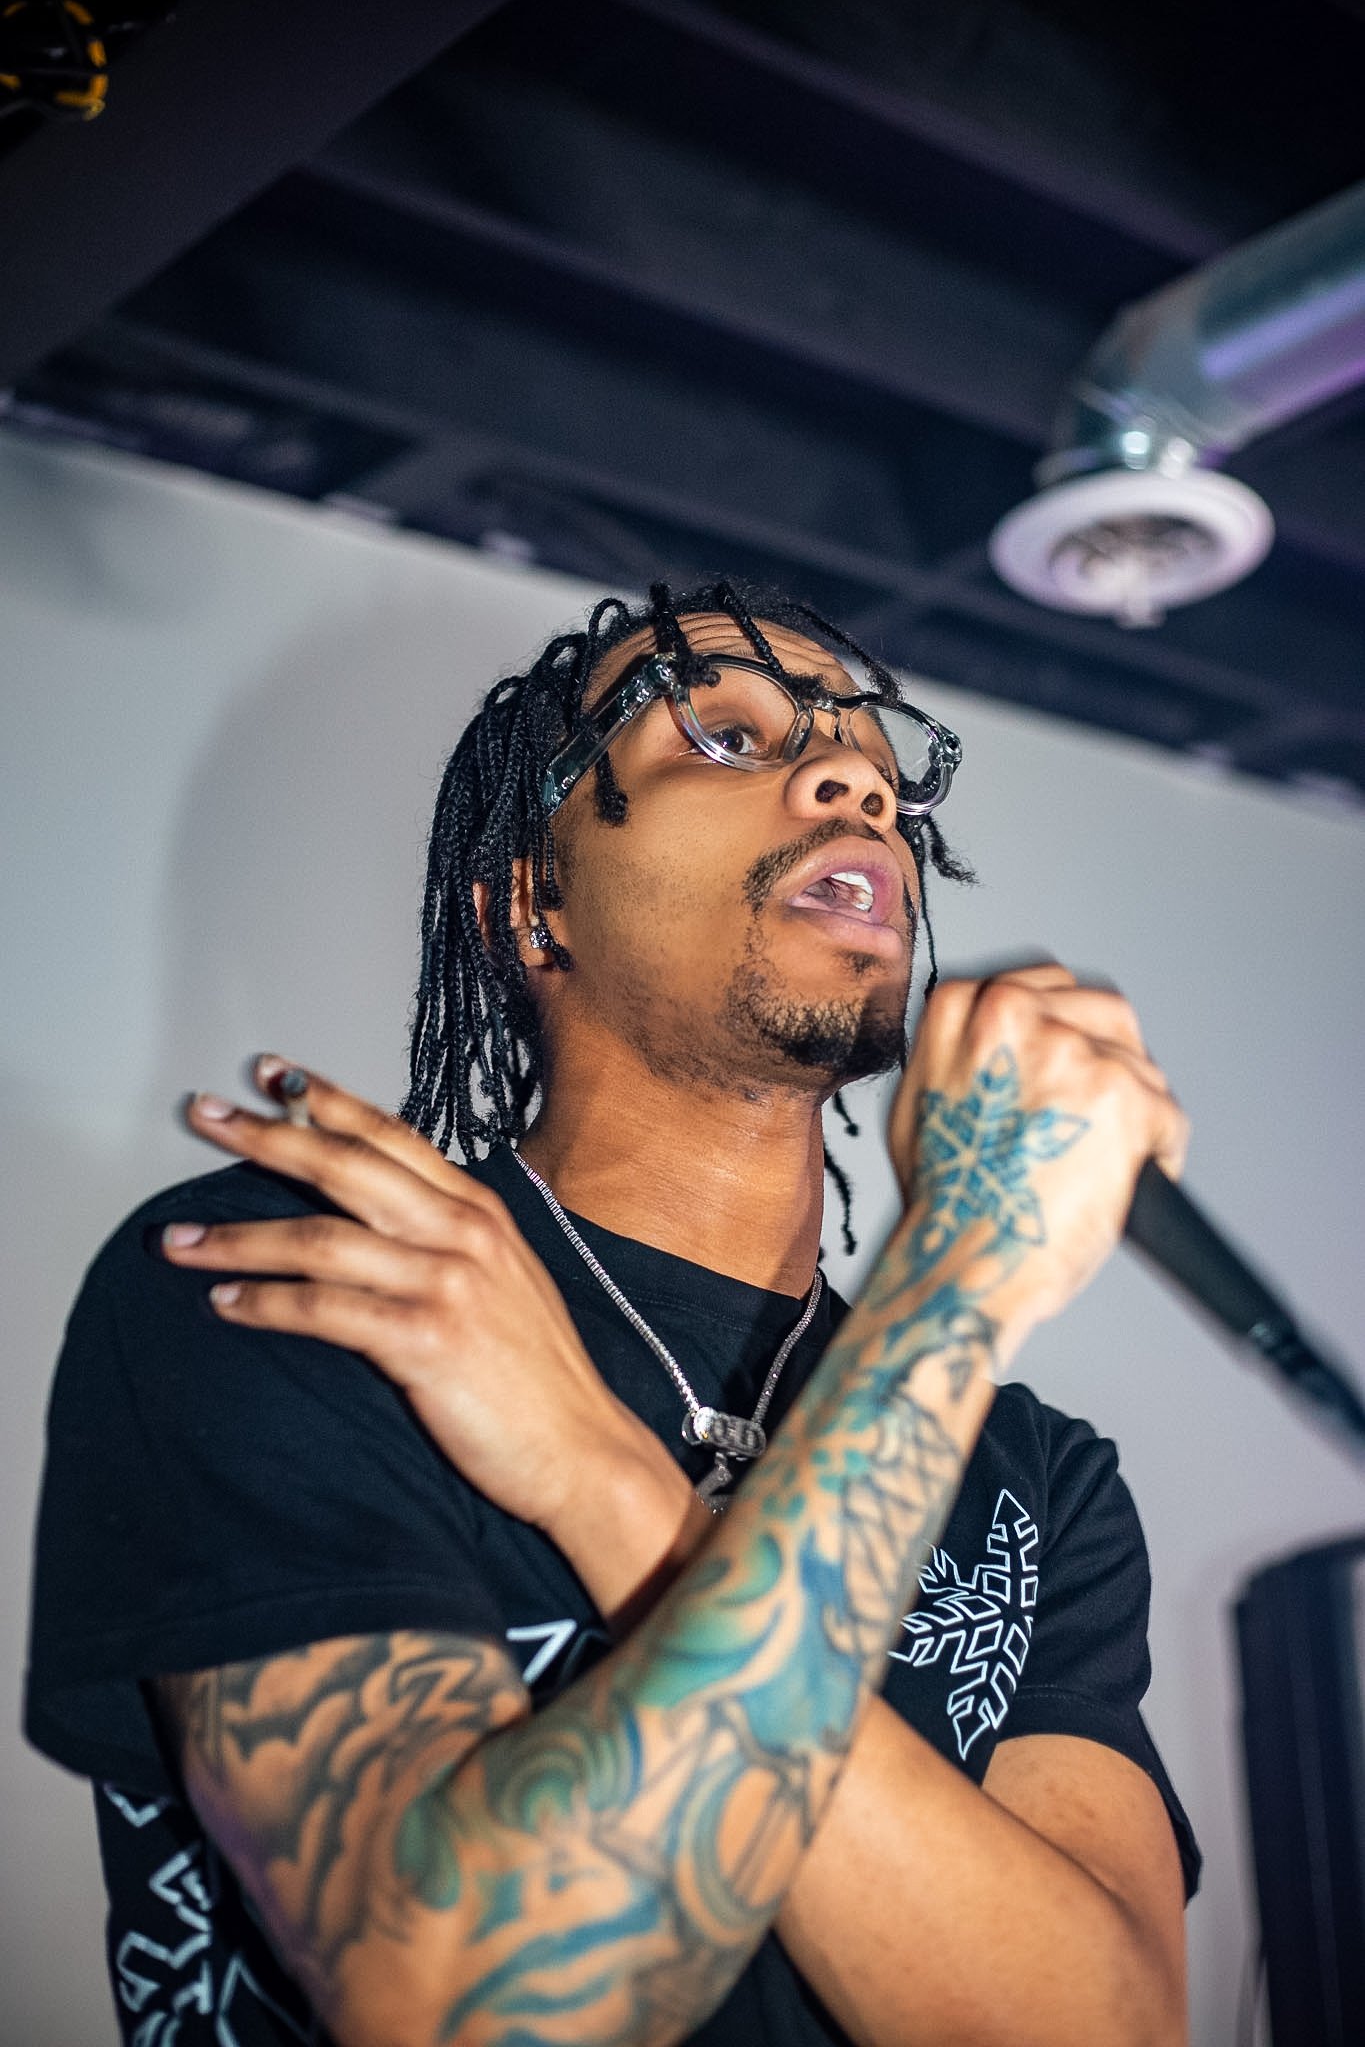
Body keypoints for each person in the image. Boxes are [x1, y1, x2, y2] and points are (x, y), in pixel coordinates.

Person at [27, 580, 1200, 2047]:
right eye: (722, 732)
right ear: (536, 901)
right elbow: (467, 2002)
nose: (853, 779)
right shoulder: (309, 1276)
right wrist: (958, 1269)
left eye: (871, 766)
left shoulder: (1031, 1474)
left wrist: (605, 1479)